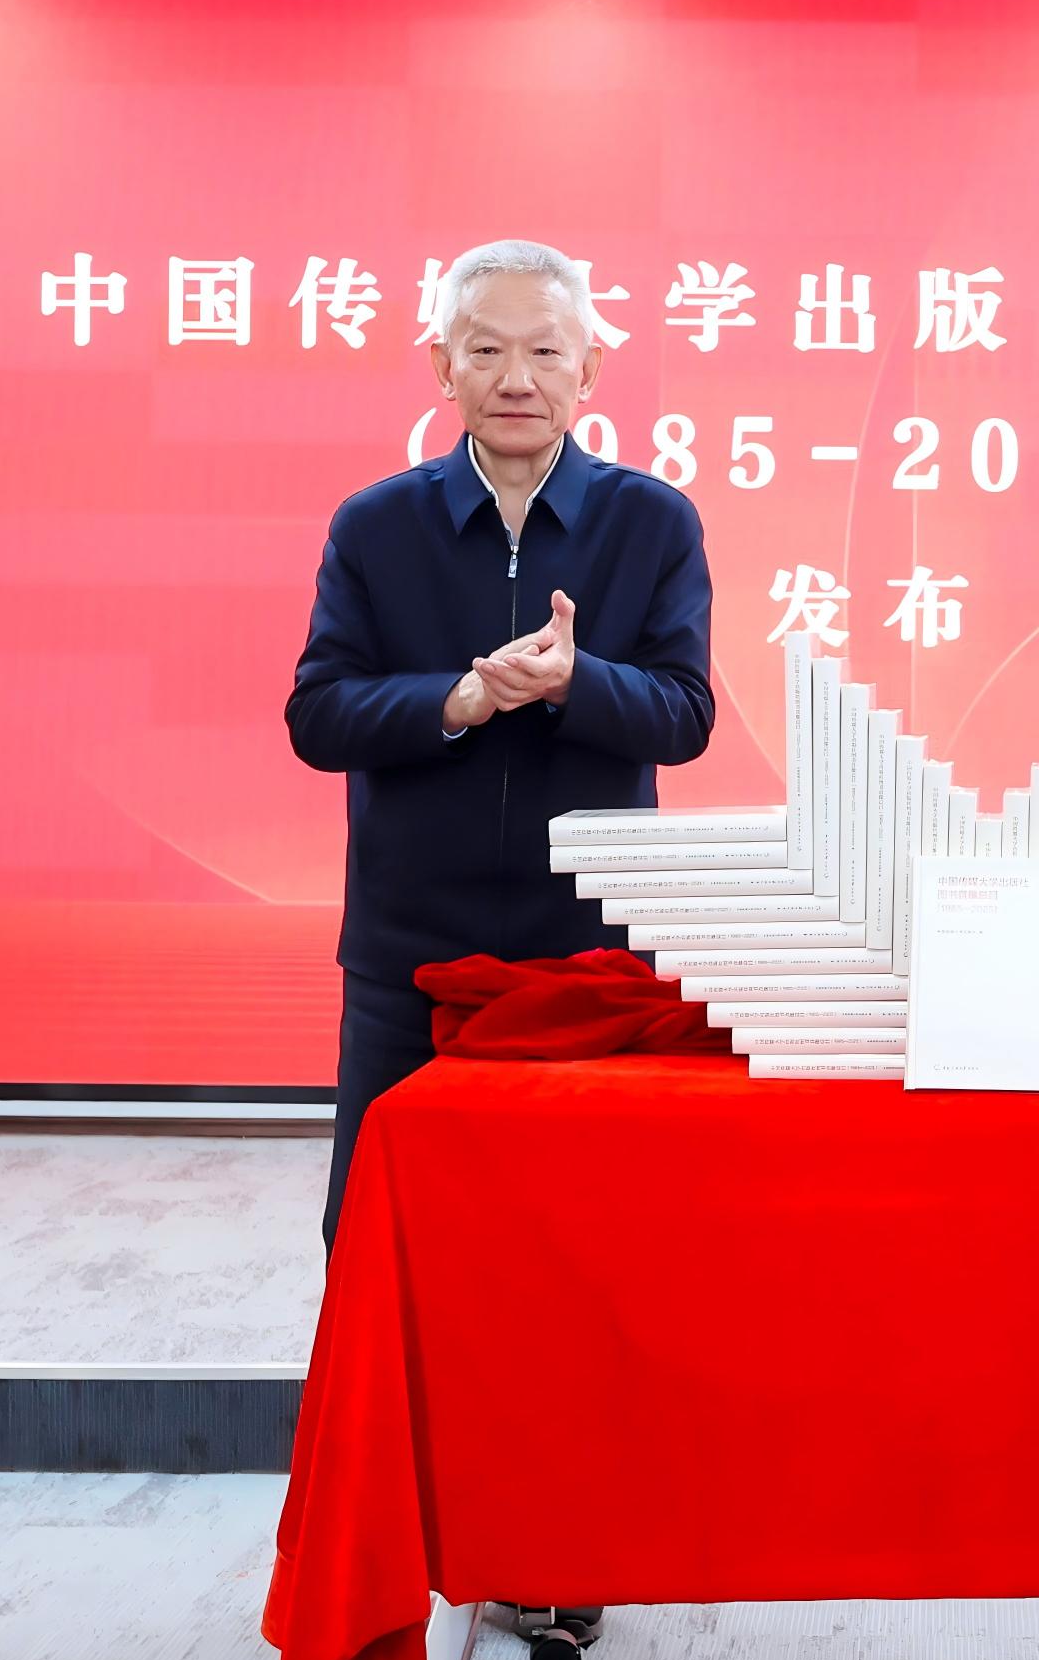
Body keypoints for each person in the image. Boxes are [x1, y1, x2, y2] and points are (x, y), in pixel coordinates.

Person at [288, 235, 718, 1249]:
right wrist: (459, 699)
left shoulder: (653, 523)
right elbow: (319, 716)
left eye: (545, 351)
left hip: (588, 961)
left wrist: (577, 681)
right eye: (485, 351)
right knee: (384, 1234)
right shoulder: (375, 525)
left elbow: (685, 715)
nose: (516, 379)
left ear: (589, 368)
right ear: (443, 366)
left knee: (580, 1240)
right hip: (409, 959)